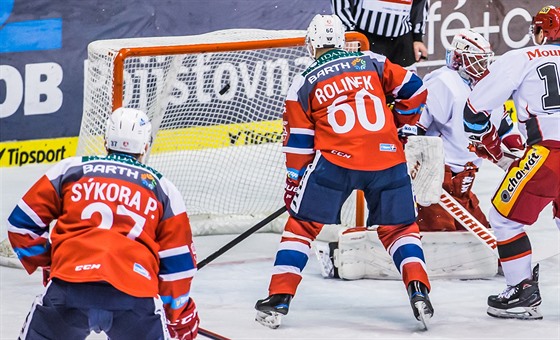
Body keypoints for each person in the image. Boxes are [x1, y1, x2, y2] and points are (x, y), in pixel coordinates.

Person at [254, 14, 433, 329]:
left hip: (336, 162)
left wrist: (294, 183)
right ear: (342, 42)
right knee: (400, 229)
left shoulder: (304, 81)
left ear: (311, 46)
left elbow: (299, 144)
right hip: (388, 159)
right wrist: (400, 124)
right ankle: (418, 289)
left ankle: (279, 299)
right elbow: (416, 90)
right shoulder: (372, 61)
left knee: (301, 227)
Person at [7, 108, 199, 339]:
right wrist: (176, 316)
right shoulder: (163, 188)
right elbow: (178, 265)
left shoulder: (70, 169)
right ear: (146, 146)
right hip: (135, 297)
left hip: (68, 288)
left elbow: (20, 226)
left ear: (105, 141)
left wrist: (55, 262)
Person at [463, 5, 560, 320]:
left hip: (549, 154)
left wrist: (489, 141)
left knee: (503, 217)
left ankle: (521, 291)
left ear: (544, 32)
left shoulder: (523, 58)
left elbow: (474, 112)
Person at [400, 28, 524, 232]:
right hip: (436, 178)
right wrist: (418, 171)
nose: (483, 66)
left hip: (465, 181)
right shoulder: (442, 82)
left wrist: (521, 155)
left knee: (482, 236)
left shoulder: (488, 84)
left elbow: (504, 126)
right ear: (459, 58)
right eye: (476, 60)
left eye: (484, 60)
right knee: (439, 234)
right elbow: (415, 129)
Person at [331, 0, 428, 69]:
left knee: (406, 91)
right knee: (366, 91)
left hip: (401, 42)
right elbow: (341, 4)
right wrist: (350, 34)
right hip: (365, 40)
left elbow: (420, 4)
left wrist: (417, 37)